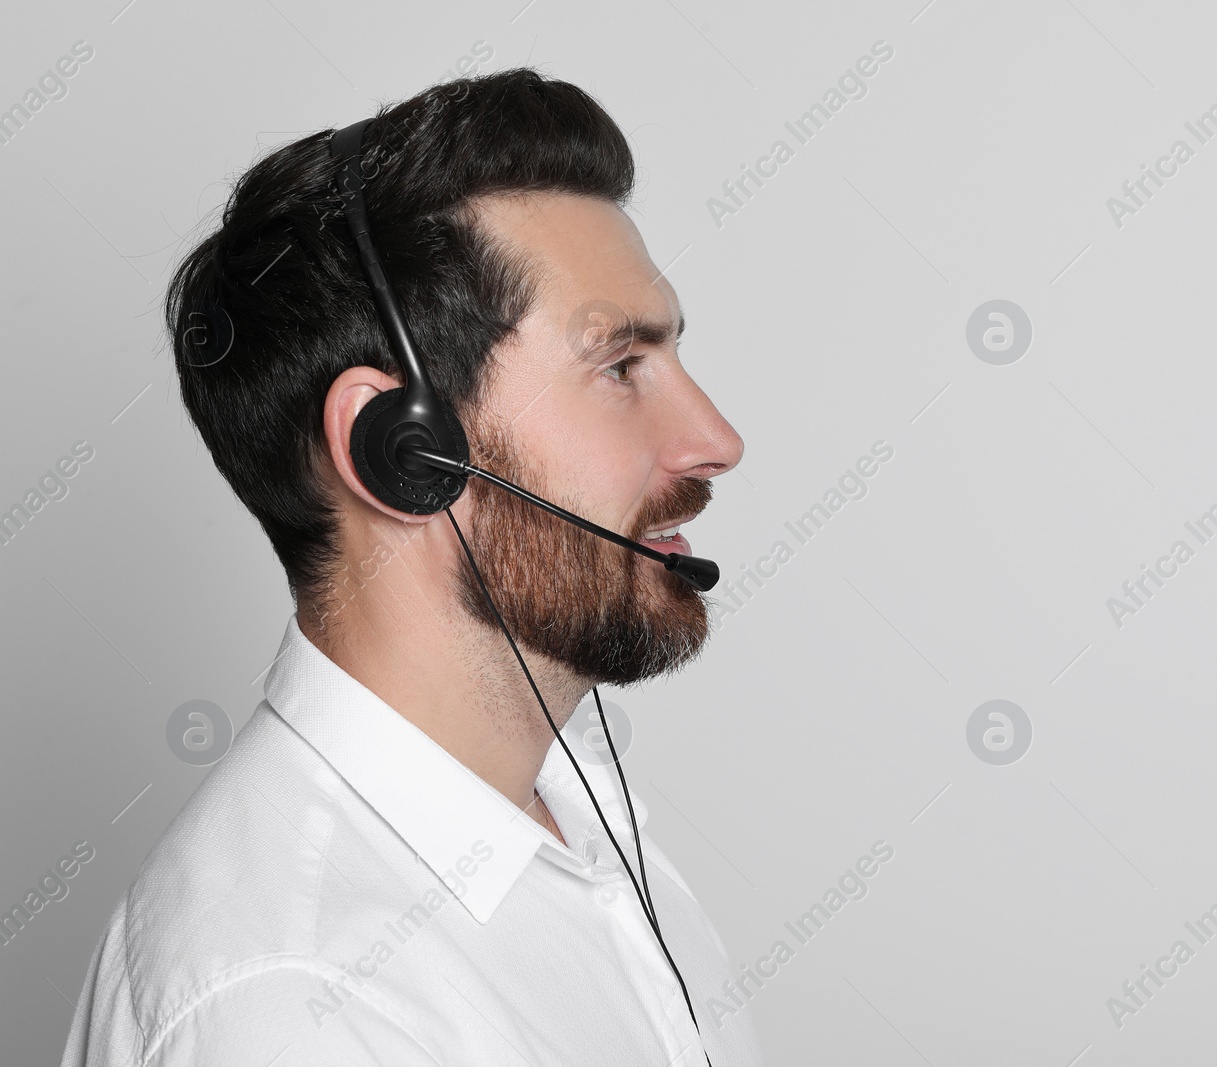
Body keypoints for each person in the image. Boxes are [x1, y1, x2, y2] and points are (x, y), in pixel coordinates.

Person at [60, 68, 762, 1066]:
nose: (715, 439)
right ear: (400, 451)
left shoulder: (583, 827)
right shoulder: (293, 1005)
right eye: (618, 367)